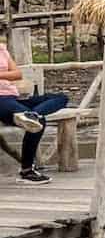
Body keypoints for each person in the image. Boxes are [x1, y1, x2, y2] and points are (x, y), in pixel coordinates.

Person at [0, 37, 65, 183]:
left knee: (61, 98)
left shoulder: (2, 49)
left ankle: (33, 114)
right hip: (1, 101)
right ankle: (27, 171)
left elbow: (17, 74)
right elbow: (12, 74)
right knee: (39, 122)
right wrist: (6, 76)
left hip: (14, 97)